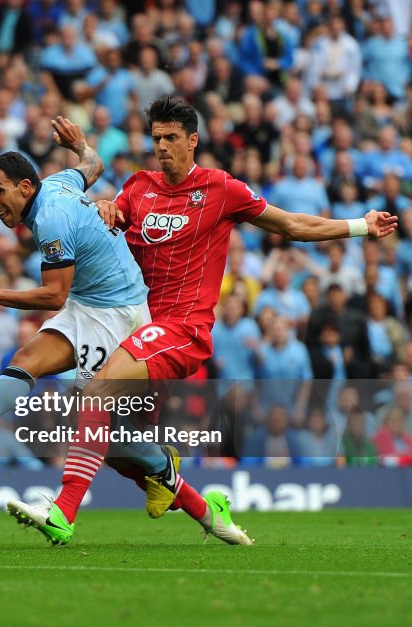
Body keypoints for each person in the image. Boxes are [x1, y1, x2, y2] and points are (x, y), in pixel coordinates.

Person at [45, 96, 394, 543]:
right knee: (107, 434)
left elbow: (290, 225)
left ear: (193, 141)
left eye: (172, 138)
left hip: (183, 329)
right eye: (156, 138)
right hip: (134, 328)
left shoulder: (220, 189)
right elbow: (105, 232)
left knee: (95, 395)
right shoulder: (138, 186)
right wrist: (103, 207)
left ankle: (63, 511)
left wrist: (359, 226)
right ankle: (206, 509)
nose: (163, 146)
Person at [0, 117, 162, 544]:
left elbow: (54, 295)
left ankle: (159, 468)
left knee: (101, 427)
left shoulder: (53, 221)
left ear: (25, 187)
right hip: (90, 301)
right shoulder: (58, 183)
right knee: (25, 362)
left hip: (118, 313)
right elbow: (92, 166)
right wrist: (81, 146)